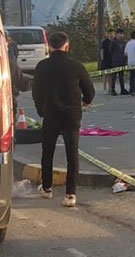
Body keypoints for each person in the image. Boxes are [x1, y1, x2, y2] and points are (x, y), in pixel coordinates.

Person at [31, 31, 95, 207]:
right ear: (67, 46)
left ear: (49, 46)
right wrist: (86, 101)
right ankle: (70, 194)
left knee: (47, 151)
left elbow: (36, 92)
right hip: (71, 115)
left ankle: (47, 187)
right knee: (72, 154)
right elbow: (89, 90)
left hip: (50, 114)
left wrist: (41, 110)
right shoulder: (76, 66)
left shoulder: (42, 66)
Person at [111, 28, 129, 96]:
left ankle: (122, 89)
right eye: (119, 33)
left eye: (122, 34)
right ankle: (112, 89)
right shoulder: (114, 42)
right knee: (114, 75)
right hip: (115, 60)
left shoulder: (124, 42)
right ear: (117, 34)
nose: (121, 35)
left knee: (121, 76)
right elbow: (111, 50)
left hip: (122, 60)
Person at [99, 28, 115, 95]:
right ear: (108, 34)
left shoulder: (114, 41)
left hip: (112, 60)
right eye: (110, 33)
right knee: (105, 74)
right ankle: (104, 88)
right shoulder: (105, 42)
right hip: (105, 60)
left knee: (110, 75)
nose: (111, 35)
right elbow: (101, 51)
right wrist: (102, 59)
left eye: (113, 33)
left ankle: (110, 88)